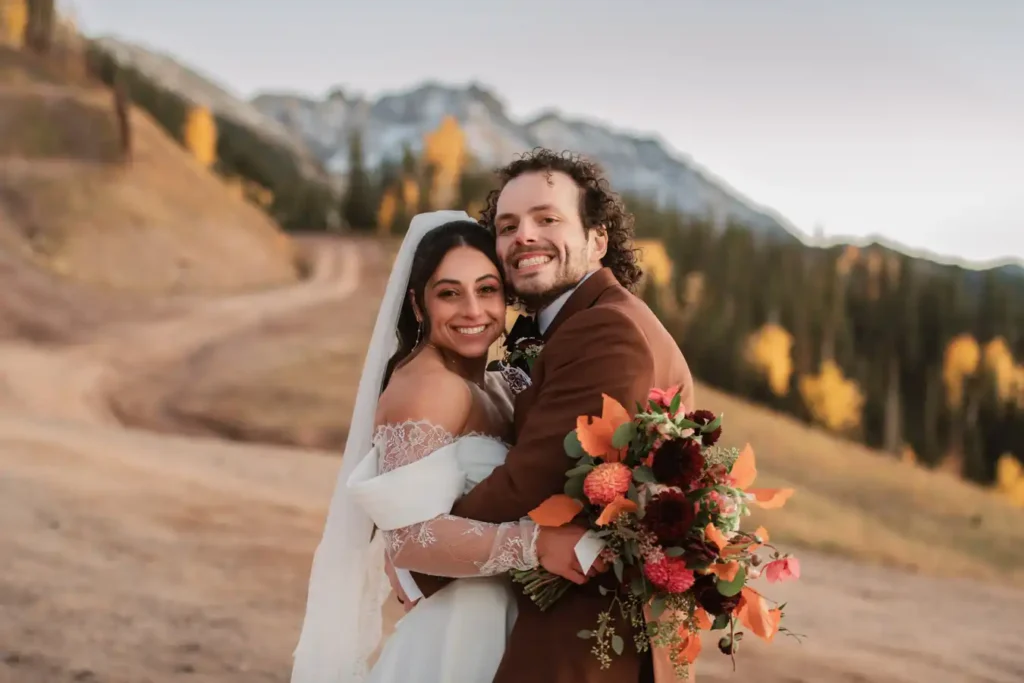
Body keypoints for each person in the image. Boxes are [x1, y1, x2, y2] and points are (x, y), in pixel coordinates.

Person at [396, 149, 695, 683]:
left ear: (598, 239)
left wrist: (423, 561)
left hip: (583, 638)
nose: (524, 236)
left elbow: (538, 474)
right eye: (507, 226)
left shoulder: (604, 329)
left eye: (547, 218)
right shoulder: (582, 322)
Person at [289, 211, 587, 683]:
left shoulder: (495, 382)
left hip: (497, 623)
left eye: (487, 289)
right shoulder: (428, 387)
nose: (473, 310)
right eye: (450, 293)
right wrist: (539, 544)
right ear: (418, 303)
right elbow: (410, 539)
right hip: (458, 638)